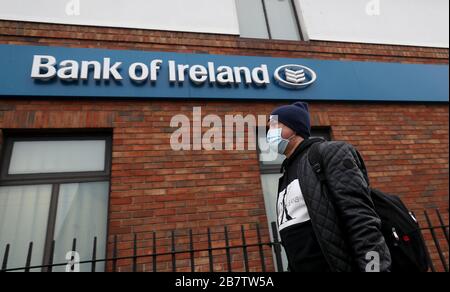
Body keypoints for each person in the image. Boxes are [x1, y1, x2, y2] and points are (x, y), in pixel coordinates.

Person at [266, 101, 391, 272]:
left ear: (294, 128)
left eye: (274, 126)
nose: (269, 133)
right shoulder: (285, 175)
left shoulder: (327, 154)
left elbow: (361, 219)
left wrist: (375, 269)